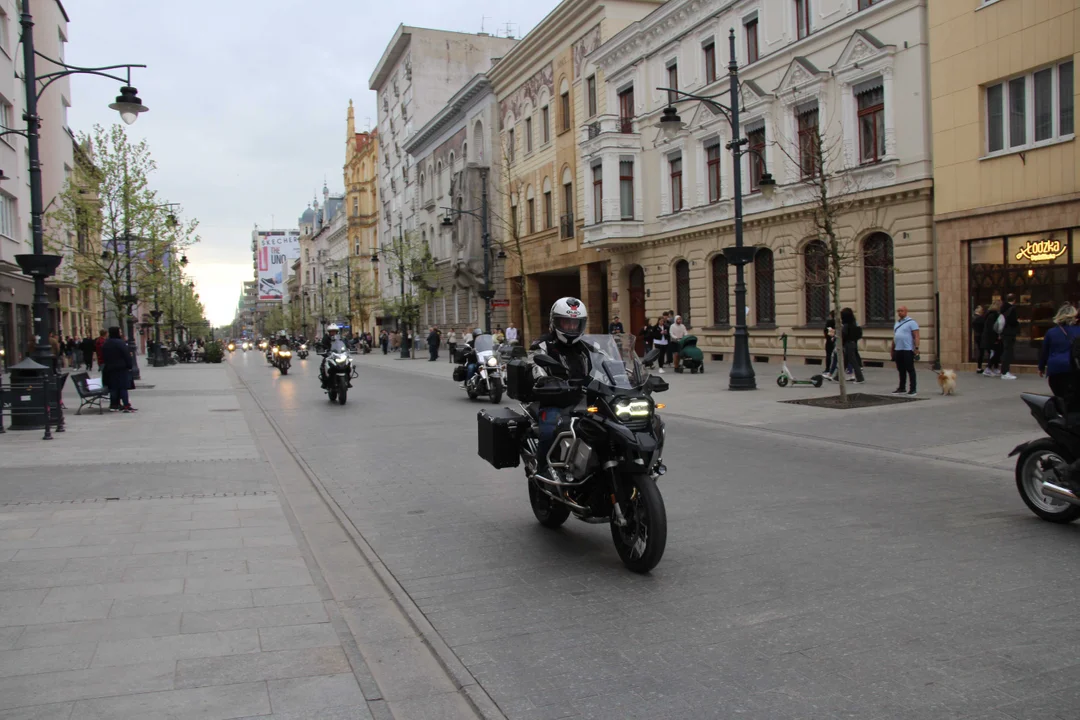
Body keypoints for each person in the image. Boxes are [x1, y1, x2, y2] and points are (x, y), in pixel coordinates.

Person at [531, 298, 594, 476]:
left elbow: (608, 362)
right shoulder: (542, 345)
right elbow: (534, 366)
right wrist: (543, 380)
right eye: (566, 322)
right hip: (555, 400)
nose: (571, 328)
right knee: (550, 431)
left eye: (575, 323)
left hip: (585, 398)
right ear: (555, 321)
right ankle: (543, 472)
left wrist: (624, 376)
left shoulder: (589, 346)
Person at [1039, 304, 1080, 398]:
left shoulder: (1051, 332)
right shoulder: (1078, 331)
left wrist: (1041, 367)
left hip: (1055, 369)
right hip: (1074, 368)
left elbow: (1044, 351)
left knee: (1060, 396)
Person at [101, 326, 136, 413]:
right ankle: (126, 404)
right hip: (121, 368)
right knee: (123, 387)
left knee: (113, 387)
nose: (121, 333)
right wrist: (129, 365)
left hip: (110, 368)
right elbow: (126, 355)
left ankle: (114, 405)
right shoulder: (120, 343)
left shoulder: (106, 343)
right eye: (120, 332)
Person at [890, 306, 920, 396]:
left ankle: (913, 389)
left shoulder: (912, 322)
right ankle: (902, 388)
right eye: (898, 311)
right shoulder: (897, 323)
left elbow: (916, 336)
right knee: (901, 369)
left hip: (907, 349)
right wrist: (892, 349)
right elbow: (895, 336)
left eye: (901, 311)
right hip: (898, 349)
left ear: (906, 311)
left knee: (910, 369)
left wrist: (916, 348)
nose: (900, 312)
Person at [840, 307, 865, 384]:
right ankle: (837, 376)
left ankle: (860, 378)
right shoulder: (854, 323)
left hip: (848, 344)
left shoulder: (846, 325)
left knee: (853, 362)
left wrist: (840, 343)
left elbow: (844, 335)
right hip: (853, 343)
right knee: (845, 361)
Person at [999, 292, 1020, 380]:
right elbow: (1012, 322)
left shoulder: (1003, 308)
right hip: (1009, 333)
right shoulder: (1012, 309)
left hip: (1004, 332)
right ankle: (1005, 372)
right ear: (1014, 300)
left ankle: (1005, 371)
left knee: (1006, 351)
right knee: (1008, 352)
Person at [982, 299, 1003, 377]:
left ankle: (995, 367)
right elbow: (991, 328)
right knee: (993, 353)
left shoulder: (992, 314)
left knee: (996, 352)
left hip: (991, 337)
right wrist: (995, 338)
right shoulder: (992, 315)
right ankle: (988, 368)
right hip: (991, 338)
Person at [972, 305, 987, 373]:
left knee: (980, 351)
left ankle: (979, 367)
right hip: (981, 336)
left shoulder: (974, 317)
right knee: (982, 352)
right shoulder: (980, 318)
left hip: (977, 335)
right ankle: (980, 367)